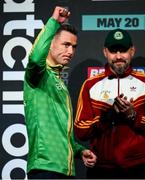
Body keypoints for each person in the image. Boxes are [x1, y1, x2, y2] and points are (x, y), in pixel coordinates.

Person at [74, 28, 145, 179]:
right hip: (102, 169)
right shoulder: (89, 85)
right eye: (113, 50)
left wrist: (132, 115)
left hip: (141, 168)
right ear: (105, 52)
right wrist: (106, 117)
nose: (118, 56)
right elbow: (80, 130)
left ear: (132, 51)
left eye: (123, 50)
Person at [24, 6, 97, 179]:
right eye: (66, 45)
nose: (71, 51)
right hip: (45, 168)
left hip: (65, 170)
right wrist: (53, 22)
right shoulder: (38, 75)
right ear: (49, 44)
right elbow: (35, 58)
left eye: (74, 46)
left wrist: (80, 151)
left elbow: (61, 134)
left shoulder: (59, 82)